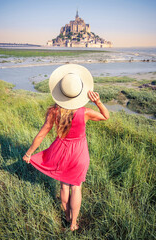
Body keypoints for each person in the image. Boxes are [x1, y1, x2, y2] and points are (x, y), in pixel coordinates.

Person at [23, 64, 109, 231]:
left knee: (64, 186)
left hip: (61, 153)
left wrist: (29, 153)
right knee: (76, 187)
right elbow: (106, 116)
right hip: (79, 154)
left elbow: (41, 135)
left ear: (60, 93)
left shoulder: (54, 112)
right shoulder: (85, 112)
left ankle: (67, 215)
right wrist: (97, 101)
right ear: (79, 93)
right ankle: (74, 223)